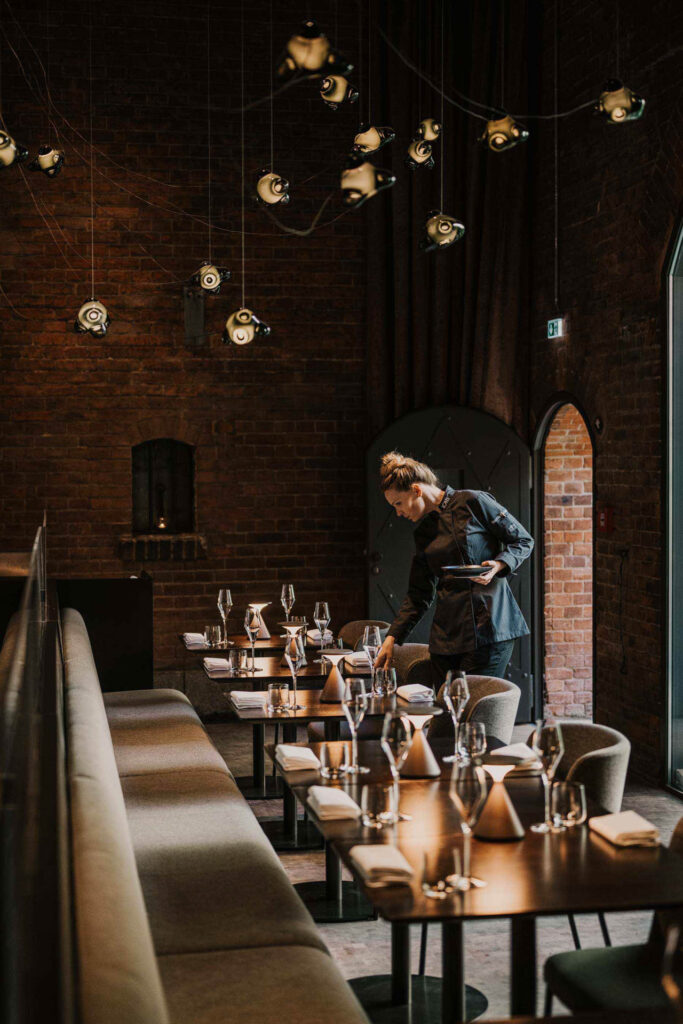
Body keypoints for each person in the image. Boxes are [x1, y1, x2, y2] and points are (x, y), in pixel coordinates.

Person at [374, 451, 534, 686]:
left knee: (474, 710)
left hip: (489, 630)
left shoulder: (473, 501)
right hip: (446, 639)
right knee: (445, 715)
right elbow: (418, 595)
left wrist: (499, 564)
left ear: (417, 490)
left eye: (398, 503)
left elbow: (523, 540)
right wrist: (392, 638)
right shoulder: (423, 533)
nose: (398, 512)